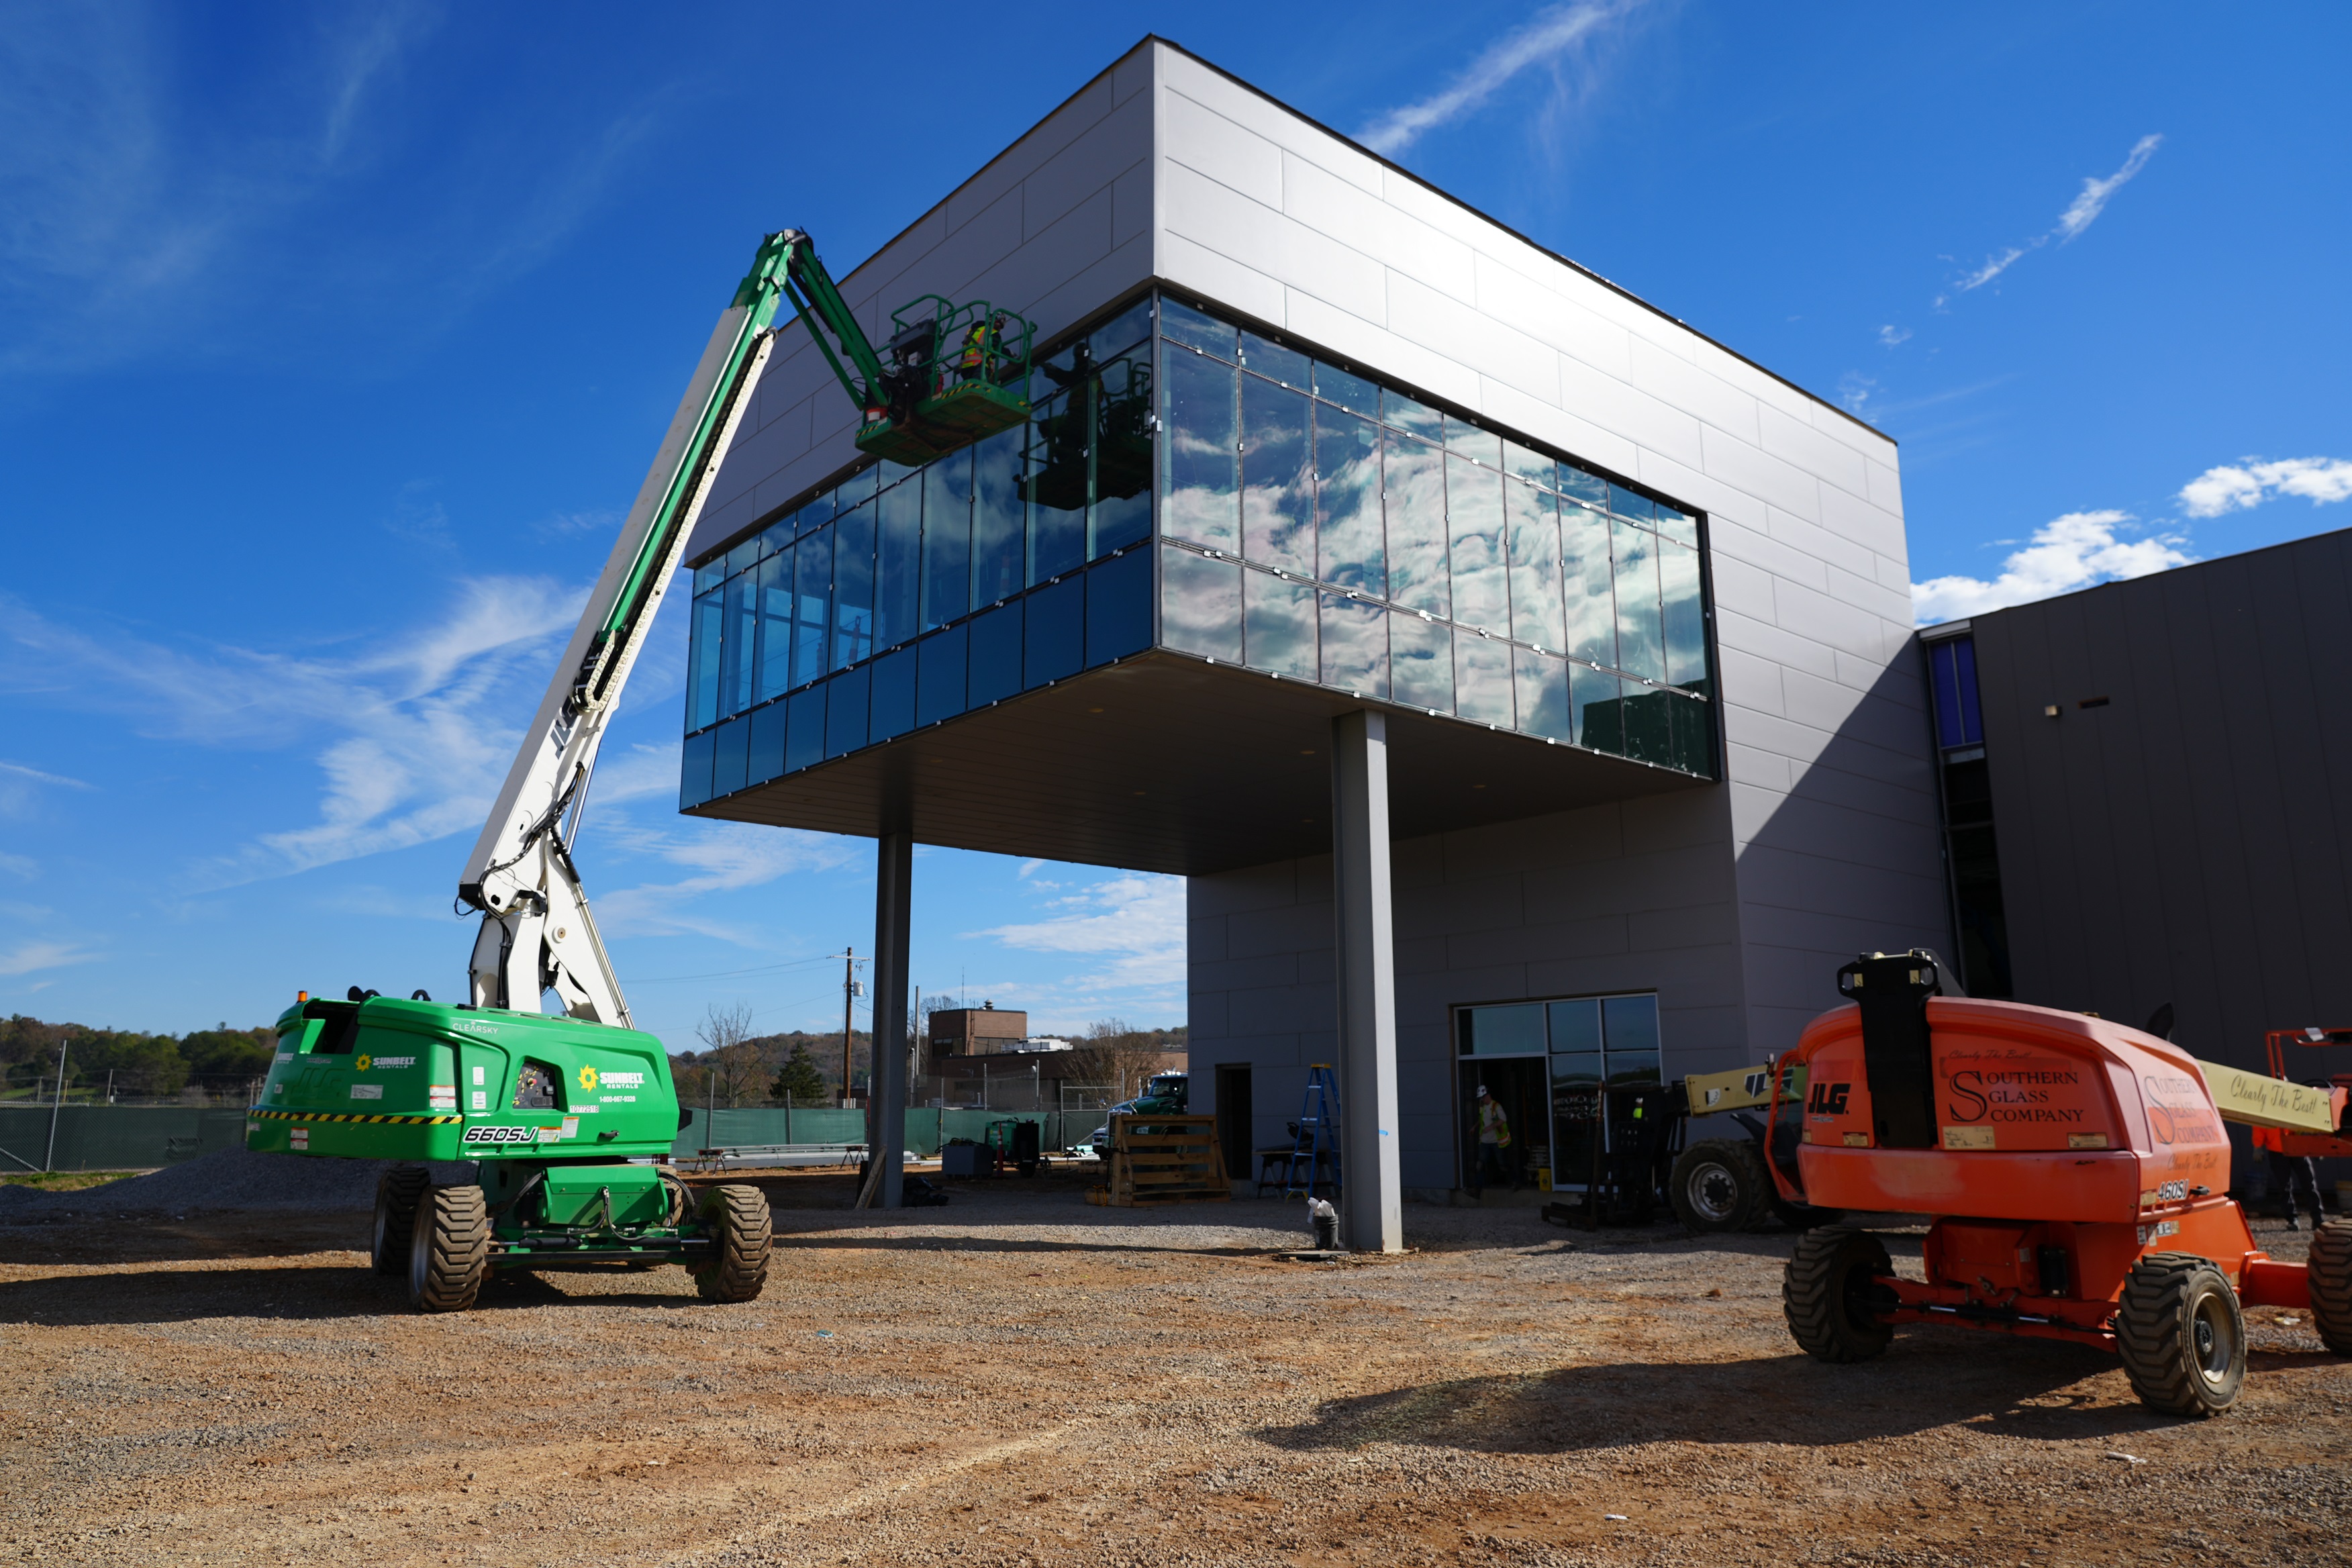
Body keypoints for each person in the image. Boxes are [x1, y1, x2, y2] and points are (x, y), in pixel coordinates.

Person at [2251, 1124, 2326, 1230]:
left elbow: (2308, 1122)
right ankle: (2292, 1219)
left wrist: (2315, 1144)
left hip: (2298, 1147)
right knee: (2284, 1187)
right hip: (2277, 1150)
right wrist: (2257, 1146)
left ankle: (2318, 1219)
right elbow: (2259, 1125)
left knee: (2309, 1184)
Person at [1470, 1085, 1516, 1194]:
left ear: (1488, 1095)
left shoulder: (1496, 1106)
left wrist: (1490, 1127)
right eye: (1481, 1098)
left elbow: (1503, 1119)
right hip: (1485, 1141)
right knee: (1480, 1165)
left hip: (1496, 1141)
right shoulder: (1483, 1106)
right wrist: (1475, 1127)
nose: (1482, 1100)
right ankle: (1477, 1190)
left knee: (1503, 1165)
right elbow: (1481, 1119)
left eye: (1483, 1097)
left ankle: (1515, 1181)